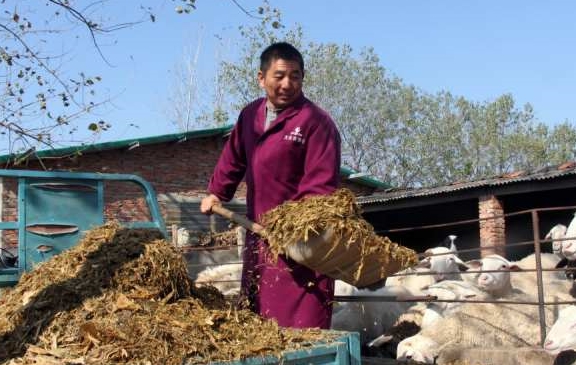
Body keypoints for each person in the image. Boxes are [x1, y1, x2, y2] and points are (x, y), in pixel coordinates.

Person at [200, 42, 341, 329]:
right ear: (261, 78)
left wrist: (293, 227)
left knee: (301, 323)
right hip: (258, 234)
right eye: (279, 76)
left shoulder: (316, 122)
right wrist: (217, 192)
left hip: (302, 242)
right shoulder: (250, 115)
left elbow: (321, 185)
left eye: (295, 76)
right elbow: (233, 158)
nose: (288, 84)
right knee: (257, 319)